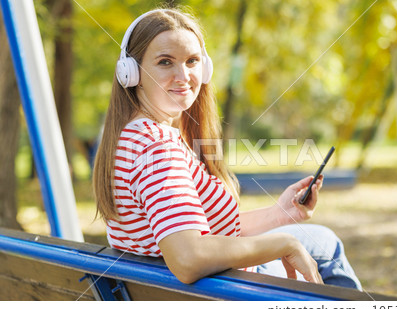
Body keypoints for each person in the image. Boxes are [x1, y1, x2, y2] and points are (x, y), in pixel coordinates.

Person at [93, 8, 361, 290]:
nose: (183, 75)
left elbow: (201, 231)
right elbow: (188, 258)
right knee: (327, 247)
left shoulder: (130, 138)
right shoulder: (157, 147)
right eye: (165, 62)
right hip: (229, 294)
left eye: (192, 61)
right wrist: (283, 243)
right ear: (131, 72)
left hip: (189, 293)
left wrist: (280, 215)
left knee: (321, 238)